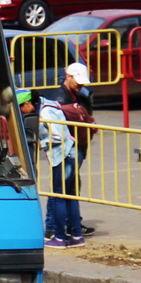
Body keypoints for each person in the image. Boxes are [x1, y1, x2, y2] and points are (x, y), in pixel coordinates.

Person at [51, 61, 98, 237]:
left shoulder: (74, 95)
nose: (81, 84)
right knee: (62, 190)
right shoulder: (62, 98)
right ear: (68, 77)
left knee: (69, 188)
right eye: (78, 81)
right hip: (68, 148)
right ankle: (57, 227)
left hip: (74, 147)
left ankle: (72, 225)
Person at [39, 93, 82, 248]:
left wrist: (41, 143)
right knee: (70, 196)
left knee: (59, 196)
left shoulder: (44, 112)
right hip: (72, 152)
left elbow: (57, 136)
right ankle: (76, 236)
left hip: (63, 155)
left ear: (28, 104)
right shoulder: (51, 104)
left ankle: (59, 238)